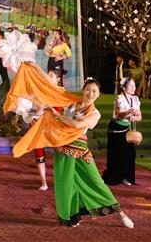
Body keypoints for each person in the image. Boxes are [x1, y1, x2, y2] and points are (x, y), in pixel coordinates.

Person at [47, 79, 134, 228]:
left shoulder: (95, 114)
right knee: (66, 183)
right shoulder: (71, 104)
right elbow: (52, 92)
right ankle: (71, 216)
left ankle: (120, 213)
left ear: (98, 95)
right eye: (88, 90)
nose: (90, 93)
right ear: (83, 90)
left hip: (80, 152)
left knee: (96, 182)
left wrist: (57, 114)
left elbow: (77, 124)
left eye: (94, 91)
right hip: (63, 149)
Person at [102, 77, 142, 186]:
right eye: (130, 86)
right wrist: (128, 113)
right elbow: (118, 114)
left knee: (130, 153)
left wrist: (134, 117)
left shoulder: (135, 99)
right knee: (117, 153)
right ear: (124, 87)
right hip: (116, 128)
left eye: (134, 85)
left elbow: (139, 116)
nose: (133, 88)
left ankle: (127, 177)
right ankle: (114, 177)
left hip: (127, 129)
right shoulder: (119, 98)